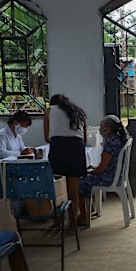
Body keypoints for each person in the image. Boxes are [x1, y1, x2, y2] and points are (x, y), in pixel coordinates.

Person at [43, 94, 87, 228]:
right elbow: (84, 140)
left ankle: (57, 222)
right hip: (77, 149)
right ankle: (73, 223)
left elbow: (47, 138)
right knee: (73, 190)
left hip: (59, 149)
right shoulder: (79, 112)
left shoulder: (49, 111)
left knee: (58, 189)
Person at [77, 115, 130, 226]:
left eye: (101, 126)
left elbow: (102, 169)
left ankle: (83, 215)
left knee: (79, 181)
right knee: (86, 175)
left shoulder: (110, 143)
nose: (100, 129)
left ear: (108, 129)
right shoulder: (119, 139)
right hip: (118, 175)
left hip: (110, 178)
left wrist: (90, 172)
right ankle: (90, 209)